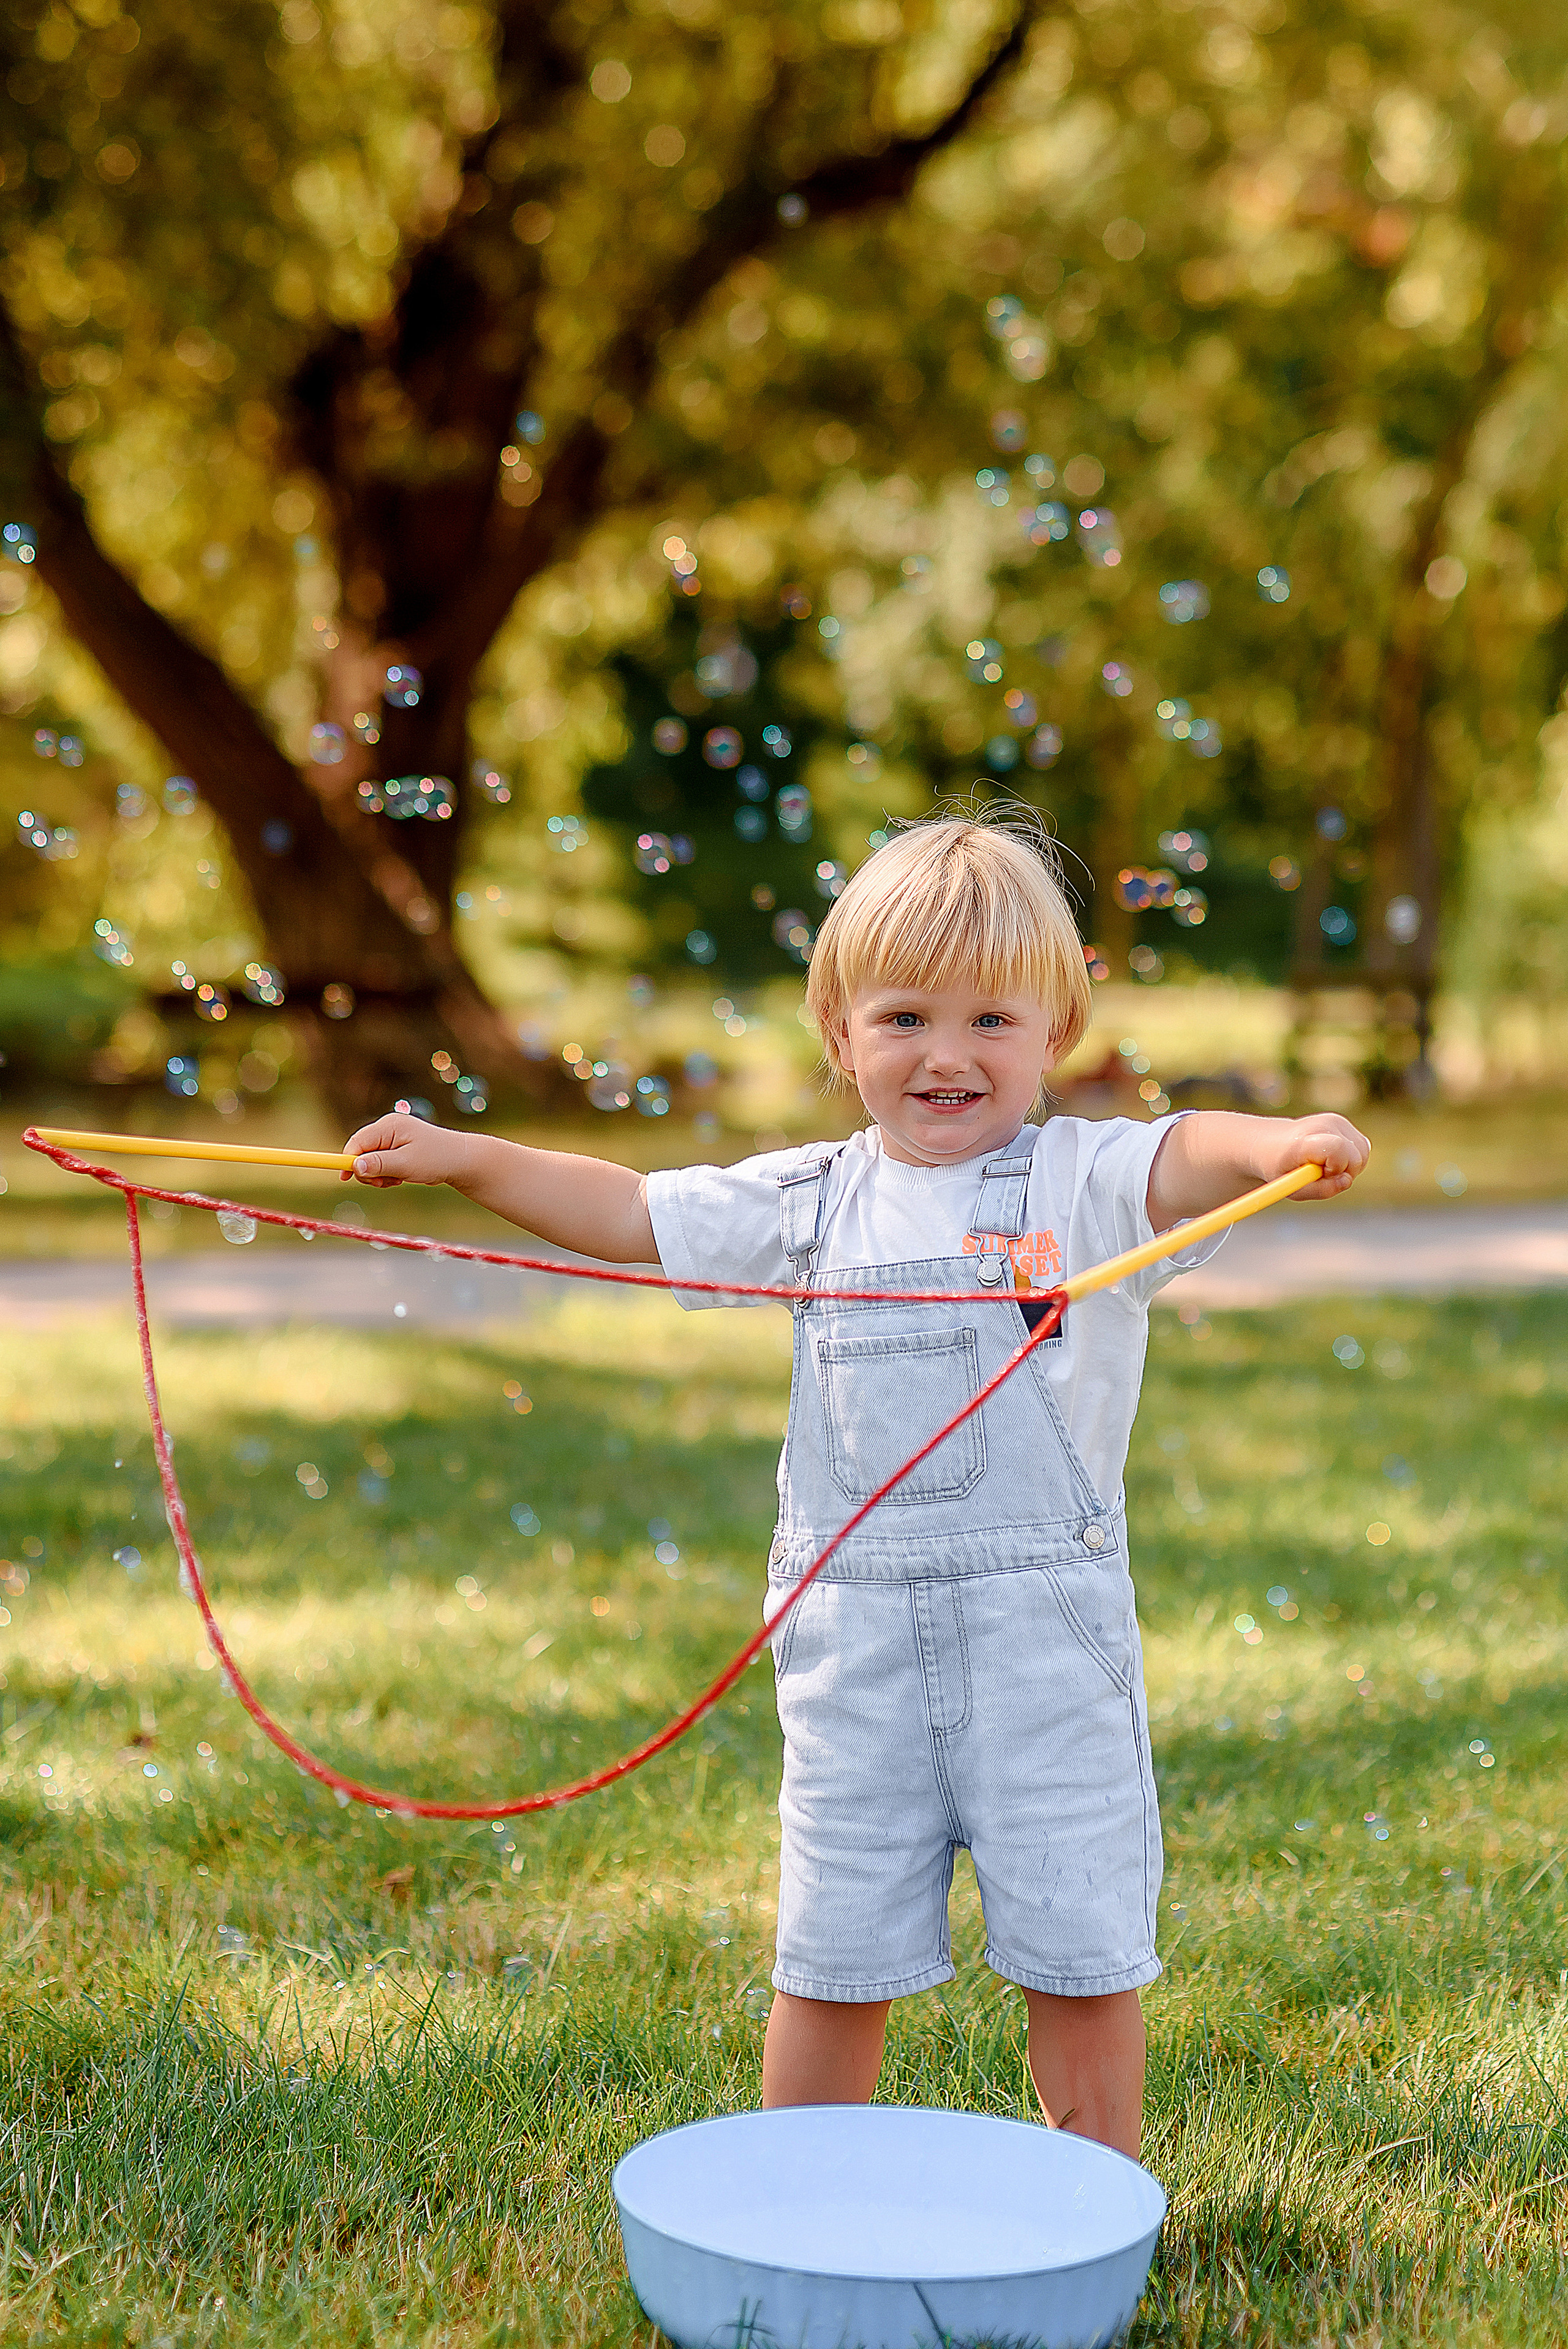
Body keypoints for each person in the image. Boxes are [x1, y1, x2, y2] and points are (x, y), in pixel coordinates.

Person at [342, 811, 1370, 2157]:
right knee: (832, 1948)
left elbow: (1188, 1148)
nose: (947, 1054)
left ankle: (1092, 2201)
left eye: (992, 1020)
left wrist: (1280, 1140)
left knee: (1077, 1942)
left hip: (1045, 1648)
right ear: (837, 1034)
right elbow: (631, 1212)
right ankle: (794, 2197)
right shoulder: (810, 1199)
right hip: (852, 1649)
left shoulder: (1086, 1179)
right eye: (904, 1018)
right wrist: (468, 1155)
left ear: (1054, 1033)